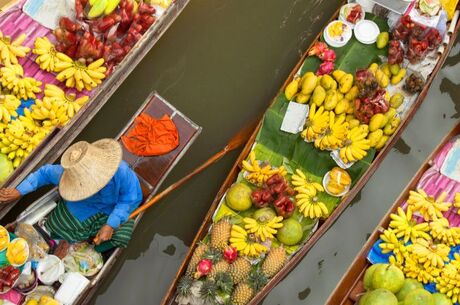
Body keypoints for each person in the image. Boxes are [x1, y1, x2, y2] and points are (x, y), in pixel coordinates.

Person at [0, 139, 142, 252]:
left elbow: (129, 199)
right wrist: (19, 191)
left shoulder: (122, 172)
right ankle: (76, 240)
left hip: (115, 208)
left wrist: (111, 224)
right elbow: (43, 173)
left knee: (122, 236)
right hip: (84, 204)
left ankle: (94, 249)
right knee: (57, 225)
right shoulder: (67, 174)